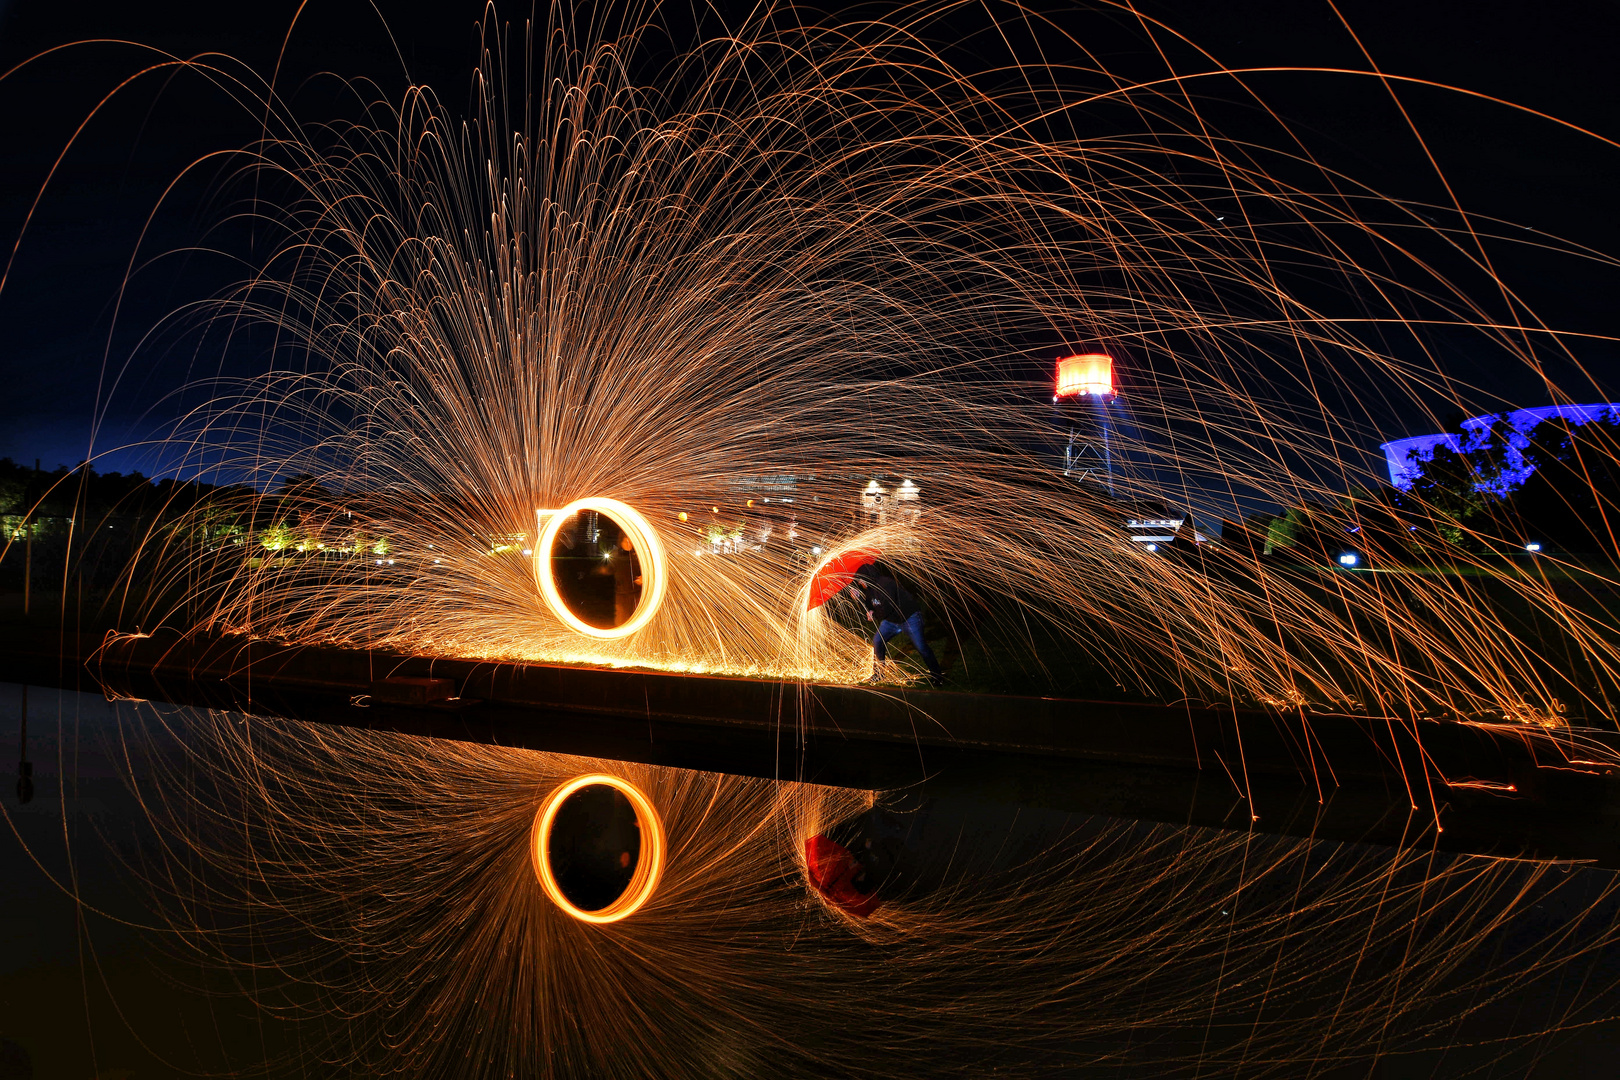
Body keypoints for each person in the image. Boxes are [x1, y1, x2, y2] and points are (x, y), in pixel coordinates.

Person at [849, 562, 944, 686]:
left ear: (867, 576)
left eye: (860, 580)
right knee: (878, 641)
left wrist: (875, 614)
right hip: (891, 621)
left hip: (910, 618)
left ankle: (937, 676)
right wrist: (859, 599)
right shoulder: (870, 590)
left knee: (921, 647)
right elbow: (871, 606)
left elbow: (887, 608)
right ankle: (879, 674)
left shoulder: (886, 584)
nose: (859, 583)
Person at [612, 534, 642, 625]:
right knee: (621, 621)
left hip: (636, 595)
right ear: (621, 542)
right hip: (622, 595)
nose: (628, 543)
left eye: (630, 541)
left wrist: (643, 578)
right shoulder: (616, 557)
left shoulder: (638, 557)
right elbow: (610, 571)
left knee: (636, 621)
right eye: (625, 541)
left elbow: (646, 572)